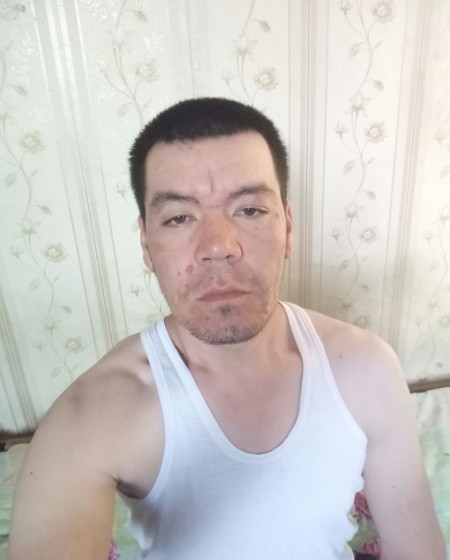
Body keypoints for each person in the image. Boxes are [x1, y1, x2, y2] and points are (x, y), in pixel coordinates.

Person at [8, 98, 445, 560]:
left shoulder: (368, 369)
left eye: (249, 210)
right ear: (147, 245)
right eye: (179, 217)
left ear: (287, 227)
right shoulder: (92, 416)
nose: (218, 246)